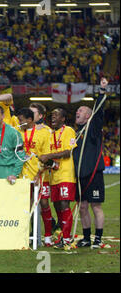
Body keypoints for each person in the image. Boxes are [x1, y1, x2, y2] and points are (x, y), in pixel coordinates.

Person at [73, 78, 108, 249]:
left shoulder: (92, 129)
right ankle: (86, 238)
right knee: (83, 208)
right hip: (79, 176)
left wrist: (102, 91)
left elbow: (99, 111)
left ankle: (98, 238)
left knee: (96, 206)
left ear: (88, 115)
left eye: (80, 110)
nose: (77, 112)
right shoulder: (76, 133)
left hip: (93, 175)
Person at [39, 108, 77, 250]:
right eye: (52, 114)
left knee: (64, 205)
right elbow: (50, 155)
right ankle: (62, 236)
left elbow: (68, 152)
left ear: (63, 118)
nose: (53, 116)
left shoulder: (68, 130)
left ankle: (67, 239)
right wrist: (46, 161)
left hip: (66, 174)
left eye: (56, 115)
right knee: (57, 207)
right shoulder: (51, 135)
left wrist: (48, 157)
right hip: (53, 176)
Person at [17, 107, 54, 246]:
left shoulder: (43, 133)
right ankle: (28, 234)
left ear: (30, 120)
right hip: (23, 175)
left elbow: (46, 156)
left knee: (44, 203)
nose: (20, 122)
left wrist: (39, 173)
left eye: (22, 120)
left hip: (40, 174)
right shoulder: (18, 132)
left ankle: (48, 235)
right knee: (27, 205)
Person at [0, 105, 25, 183]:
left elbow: (21, 155)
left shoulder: (13, 132)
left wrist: (15, 174)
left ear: (3, 116)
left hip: (8, 172)